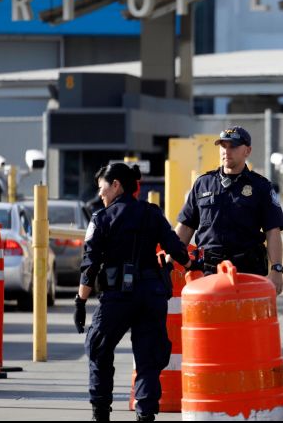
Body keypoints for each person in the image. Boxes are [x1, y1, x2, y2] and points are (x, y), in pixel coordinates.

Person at [74, 163, 189, 422]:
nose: (100, 194)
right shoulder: (152, 212)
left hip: (117, 297)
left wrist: (80, 301)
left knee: (98, 349)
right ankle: (145, 415)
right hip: (151, 294)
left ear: (116, 185)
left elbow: (90, 265)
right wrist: (193, 264)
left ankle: (100, 413)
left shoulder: (101, 218)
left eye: (102, 188)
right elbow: (175, 245)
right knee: (148, 358)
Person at [173, 126, 283, 294]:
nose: (227, 151)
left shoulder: (261, 186)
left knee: (245, 320)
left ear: (247, 151)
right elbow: (186, 226)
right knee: (209, 320)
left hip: (247, 271)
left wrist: (276, 269)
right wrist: (170, 258)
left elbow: (272, 231)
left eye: (233, 146)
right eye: (223, 146)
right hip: (207, 271)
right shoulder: (203, 183)